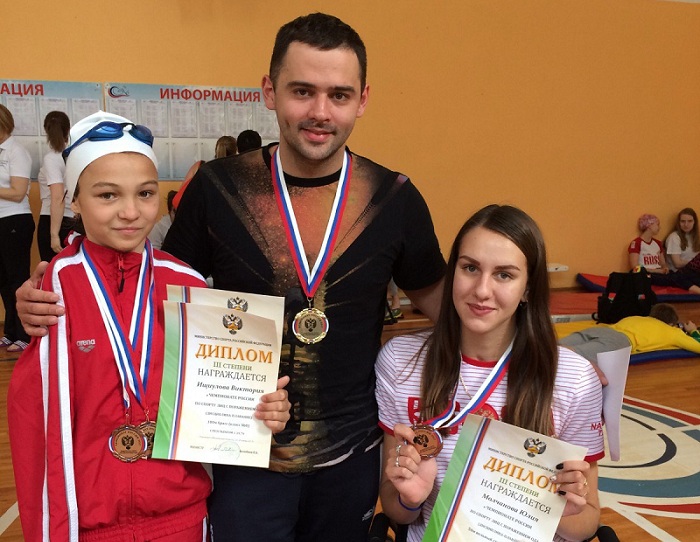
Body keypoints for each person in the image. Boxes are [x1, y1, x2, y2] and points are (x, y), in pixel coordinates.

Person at [16, 13, 446, 541]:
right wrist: (46, 294)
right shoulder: (218, 188)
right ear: (269, 91)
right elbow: (151, 295)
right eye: (302, 91)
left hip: (350, 455)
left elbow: (451, 312)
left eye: (339, 94)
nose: (320, 111)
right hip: (239, 454)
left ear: (362, 99)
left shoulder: (393, 197)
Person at [7, 111, 290, 542]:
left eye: (145, 193)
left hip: (181, 518)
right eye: (107, 195)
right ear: (75, 200)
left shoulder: (189, 286)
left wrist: (263, 412)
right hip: (92, 525)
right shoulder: (56, 290)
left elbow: (223, 401)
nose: (130, 212)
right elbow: (35, 424)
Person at [376, 205, 603, 542]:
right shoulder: (401, 362)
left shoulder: (574, 379)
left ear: (528, 288)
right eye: (470, 268)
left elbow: (588, 520)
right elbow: (396, 510)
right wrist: (410, 498)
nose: (482, 290)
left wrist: (558, 514)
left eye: (504, 275)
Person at [0, 104, 35, 352]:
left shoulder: (16, 151)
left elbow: (18, 192)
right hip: (1, 220)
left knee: (17, 278)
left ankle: (25, 334)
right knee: (3, 280)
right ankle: (10, 332)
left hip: (15, 220)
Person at [560, 302, 700, 363]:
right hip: (620, 340)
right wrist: (693, 330)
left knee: (556, 346)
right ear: (671, 323)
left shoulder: (637, 318)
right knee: (571, 354)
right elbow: (697, 346)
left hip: (602, 329)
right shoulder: (672, 331)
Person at [36, 111, 74, 261]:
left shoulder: (52, 158)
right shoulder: (74, 155)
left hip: (53, 221)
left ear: (46, 130)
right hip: (74, 220)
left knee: (49, 270)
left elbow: (57, 197)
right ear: (68, 130)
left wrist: (54, 234)